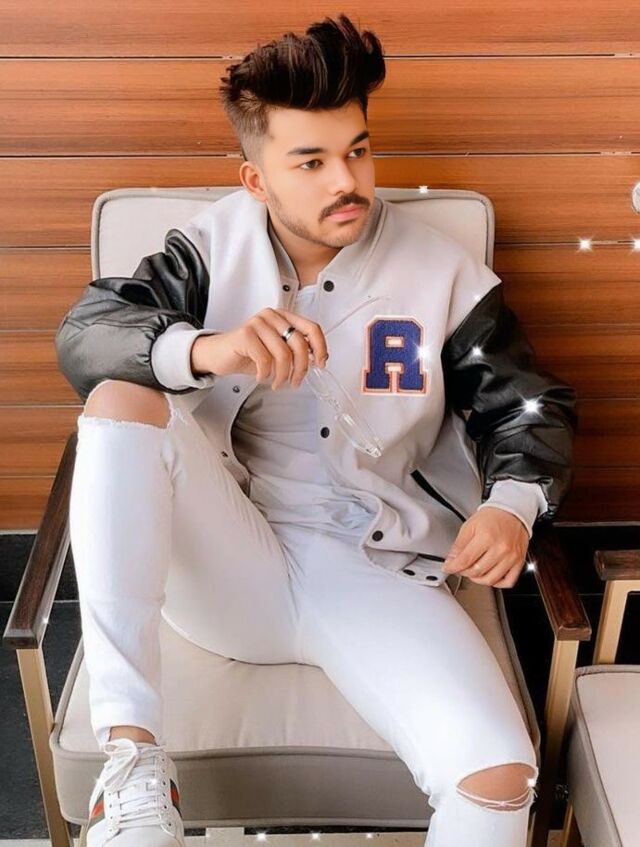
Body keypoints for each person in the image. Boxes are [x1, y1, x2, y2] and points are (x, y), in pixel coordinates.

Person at [54, 13, 577, 847]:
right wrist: (206, 348)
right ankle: (133, 764)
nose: (347, 180)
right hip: (228, 561)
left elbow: (527, 406)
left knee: (499, 777)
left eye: (358, 151)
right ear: (256, 180)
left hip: (374, 567)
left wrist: (511, 506)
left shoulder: (442, 272)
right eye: (311, 161)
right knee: (120, 399)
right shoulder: (208, 249)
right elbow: (87, 335)